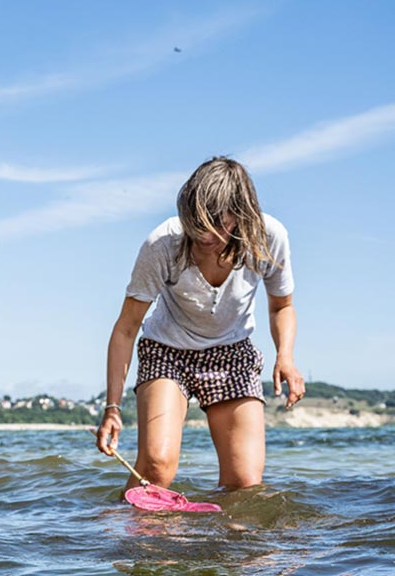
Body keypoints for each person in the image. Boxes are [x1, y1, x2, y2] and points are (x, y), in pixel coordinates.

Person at [96, 157, 305, 492]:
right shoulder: (163, 243)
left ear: (240, 214)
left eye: (215, 225)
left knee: (245, 484)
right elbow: (126, 327)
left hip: (232, 351)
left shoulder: (269, 238)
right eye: (195, 224)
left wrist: (286, 356)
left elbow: (282, 306)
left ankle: (220, 544)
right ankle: (126, 536)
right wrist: (112, 407)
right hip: (168, 350)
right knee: (157, 466)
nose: (203, 236)